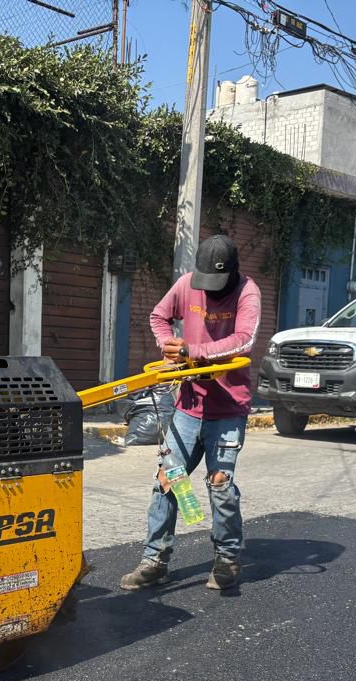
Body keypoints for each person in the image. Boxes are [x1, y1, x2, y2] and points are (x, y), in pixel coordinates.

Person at [120, 234, 260, 592]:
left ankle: (227, 558)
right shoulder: (186, 284)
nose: (209, 291)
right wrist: (167, 347)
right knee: (168, 480)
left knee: (220, 485)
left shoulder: (247, 292)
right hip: (189, 405)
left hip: (228, 407)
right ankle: (155, 560)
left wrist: (194, 350)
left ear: (231, 273)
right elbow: (158, 316)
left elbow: (244, 338)